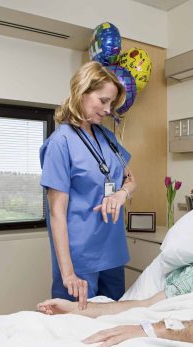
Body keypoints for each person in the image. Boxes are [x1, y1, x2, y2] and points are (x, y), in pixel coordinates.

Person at [38, 183, 193, 347]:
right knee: (31, 328)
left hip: (171, 332)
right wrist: (77, 309)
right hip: (160, 323)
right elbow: (145, 304)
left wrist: (153, 330)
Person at [39, 61, 137, 310]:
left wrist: (121, 195)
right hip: (79, 259)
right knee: (77, 332)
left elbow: (130, 179)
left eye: (111, 104)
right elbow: (56, 213)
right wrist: (68, 273)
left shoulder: (107, 136)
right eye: (103, 101)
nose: (107, 110)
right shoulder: (60, 143)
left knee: (115, 323)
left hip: (112, 251)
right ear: (82, 92)